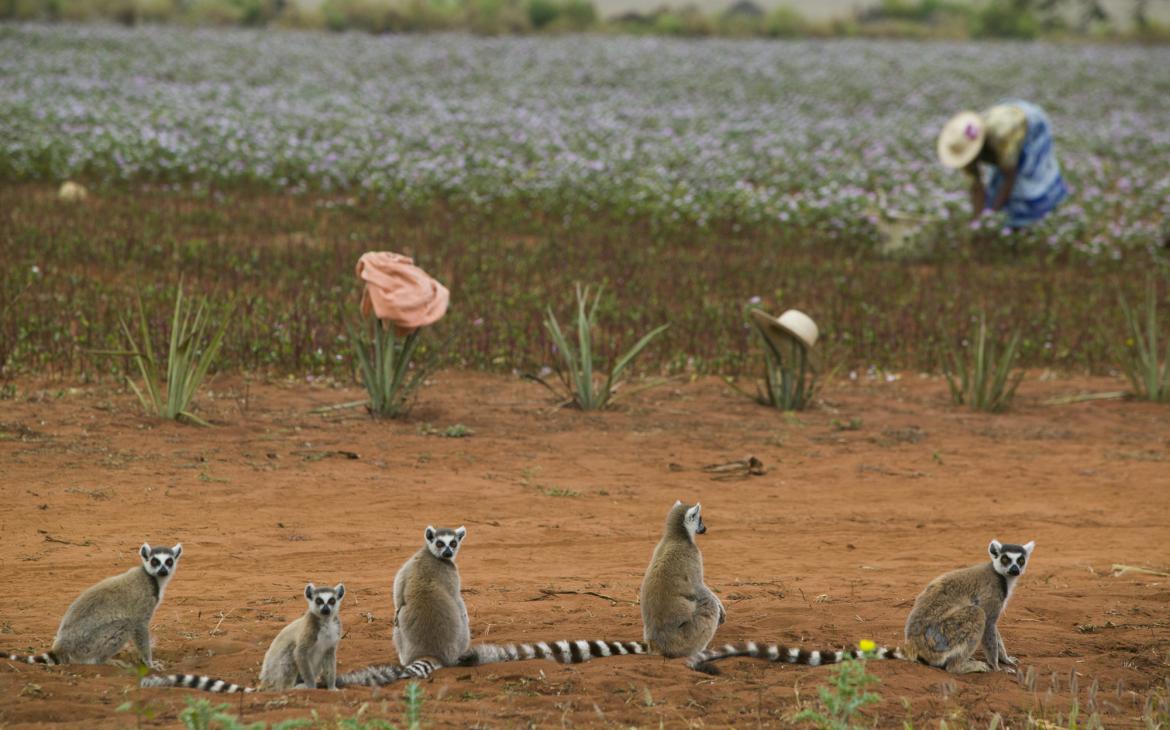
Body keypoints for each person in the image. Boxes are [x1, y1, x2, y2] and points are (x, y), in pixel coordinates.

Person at [937, 101, 1068, 228]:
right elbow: (976, 186)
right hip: (1003, 127)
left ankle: (1035, 217)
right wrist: (977, 219)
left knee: (1028, 182)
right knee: (995, 186)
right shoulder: (964, 150)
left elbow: (1010, 177)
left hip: (1029, 123)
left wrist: (993, 214)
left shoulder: (1000, 136)